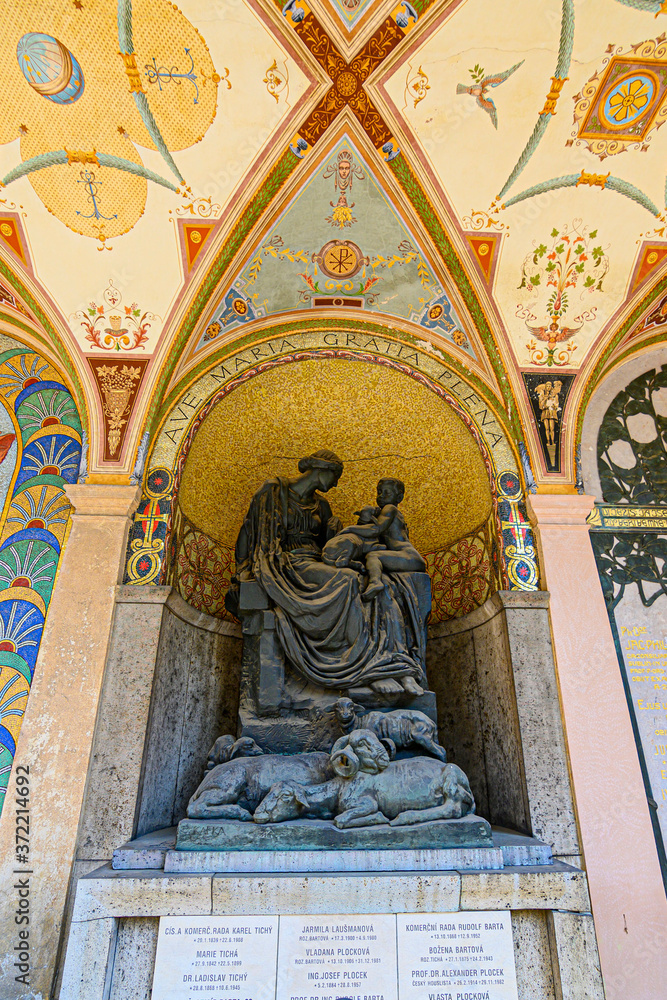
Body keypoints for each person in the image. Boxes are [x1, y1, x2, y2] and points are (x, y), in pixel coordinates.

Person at [226, 451, 427, 697]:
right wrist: (242, 569)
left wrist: (336, 534)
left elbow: (328, 548)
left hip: (315, 562)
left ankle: (391, 664)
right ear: (322, 470)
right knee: (347, 579)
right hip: (285, 562)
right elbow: (249, 529)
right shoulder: (273, 491)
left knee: (375, 583)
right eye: (335, 477)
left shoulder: (322, 505)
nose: (336, 484)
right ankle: (367, 666)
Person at [334, 479, 426, 601]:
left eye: (387, 493)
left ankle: (375, 582)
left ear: (399, 497)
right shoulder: (384, 513)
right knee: (373, 554)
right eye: (379, 492)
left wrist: (349, 529)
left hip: (408, 556)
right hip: (407, 556)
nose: (381, 496)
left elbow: (375, 530)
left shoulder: (390, 509)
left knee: (373, 556)